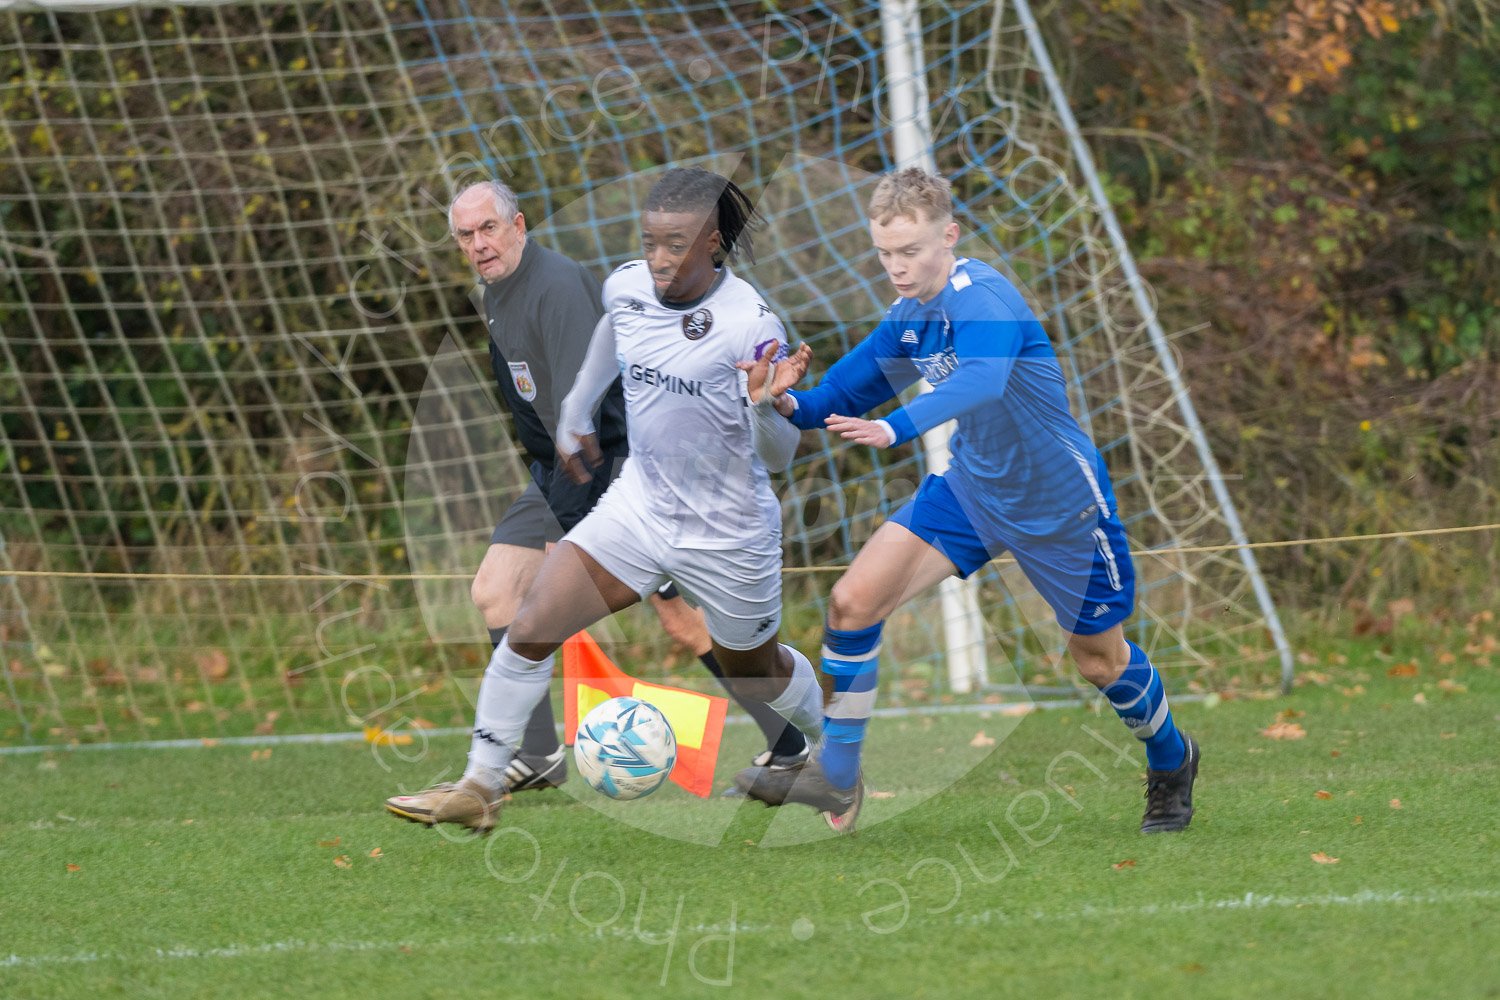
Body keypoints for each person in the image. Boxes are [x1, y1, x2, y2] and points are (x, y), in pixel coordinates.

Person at [735, 168, 1200, 836]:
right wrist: (780, 399)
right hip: (974, 491)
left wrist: (897, 427)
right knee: (852, 603)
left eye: (911, 251)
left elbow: (984, 378)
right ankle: (835, 777)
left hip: (1060, 503)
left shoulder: (983, 298)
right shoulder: (910, 319)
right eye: (885, 253)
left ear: (948, 236)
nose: (897, 267)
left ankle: (1172, 758)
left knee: (1099, 660)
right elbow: (838, 396)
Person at [385, 169, 824, 832]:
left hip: (675, 501)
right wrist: (570, 421)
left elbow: (774, 452)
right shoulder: (588, 287)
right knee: (514, 607)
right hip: (604, 488)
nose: (659, 258)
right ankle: (499, 774)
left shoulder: (739, 320)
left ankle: (813, 747)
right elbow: (598, 361)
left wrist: (763, 405)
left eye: (488, 228)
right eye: (651, 241)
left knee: (726, 647)